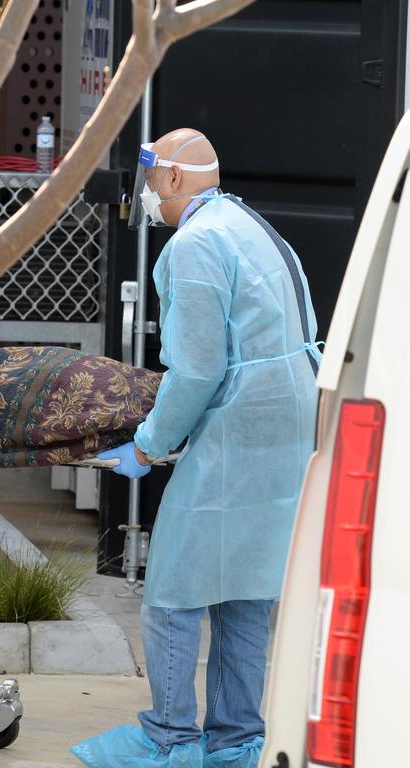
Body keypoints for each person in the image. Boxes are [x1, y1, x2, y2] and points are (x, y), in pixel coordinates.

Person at [72, 129, 319, 768]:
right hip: (288, 423)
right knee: (248, 586)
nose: (149, 196)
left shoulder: (196, 245)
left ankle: (171, 738)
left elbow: (199, 369)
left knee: (175, 589)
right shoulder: (249, 223)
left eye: (152, 182)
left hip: (238, 427)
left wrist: (149, 445)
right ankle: (238, 738)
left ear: (174, 180)